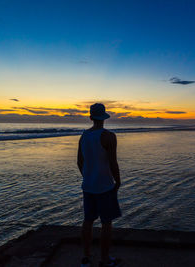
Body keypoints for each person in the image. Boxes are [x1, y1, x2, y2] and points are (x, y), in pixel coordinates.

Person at [77, 103, 122, 267]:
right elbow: (113, 163)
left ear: (91, 117)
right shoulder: (109, 136)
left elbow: (79, 161)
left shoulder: (84, 136)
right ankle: (104, 259)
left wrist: (89, 176)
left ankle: (86, 257)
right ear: (104, 118)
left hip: (88, 185)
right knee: (106, 223)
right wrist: (118, 181)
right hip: (105, 186)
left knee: (87, 221)